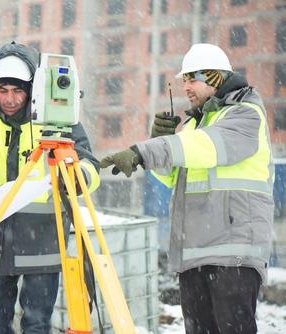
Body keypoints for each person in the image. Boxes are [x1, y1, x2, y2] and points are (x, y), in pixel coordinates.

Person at [100, 43, 274, 334]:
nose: (186, 87)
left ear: (214, 77)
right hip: (196, 254)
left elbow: (206, 148)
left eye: (193, 79)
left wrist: (147, 150)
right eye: (184, 81)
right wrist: (160, 143)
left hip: (233, 254)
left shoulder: (244, 115)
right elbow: (174, 177)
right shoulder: (198, 124)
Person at [0, 42, 100, 333]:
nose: (10, 99)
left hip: (44, 241)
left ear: (32, 88)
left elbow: (91, 164)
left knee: (36, 323)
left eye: (18, 91)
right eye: (3, 91)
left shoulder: (61, 124)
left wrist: (79, 179)